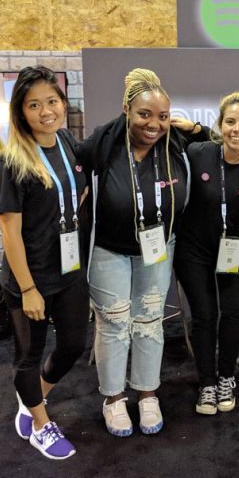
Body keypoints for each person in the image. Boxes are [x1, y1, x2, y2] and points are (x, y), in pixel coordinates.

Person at [76, 69, 203, 437]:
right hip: (109, 250)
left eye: (163, 116)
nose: (154, 124)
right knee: (115, 324)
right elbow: (69, 165)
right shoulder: (104, 144)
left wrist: (192, 128)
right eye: (144, 114)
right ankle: (113, 399)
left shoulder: (176, 144)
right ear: (127, 110)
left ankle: (148, 394)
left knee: (149, 322)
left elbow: (216, 142)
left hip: (158, 249)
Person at [0, 66, 88, 460]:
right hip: (28, 278)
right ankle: (40, 424)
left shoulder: (66, 142)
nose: (46, 111)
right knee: (28, 357)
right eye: (34, 105)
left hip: (68, 270)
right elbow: (10, 234)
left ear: (63, 104)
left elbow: (76, 193)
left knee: (72, 346)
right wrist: (29, 289)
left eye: (52, 101)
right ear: (21, 111)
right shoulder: (11, 161)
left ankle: (33, 399)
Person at [175, 92, 239, 415]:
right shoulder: (199, 153)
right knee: (205, 316)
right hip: (194, 250)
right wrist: (195, 129)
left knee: (234, 312)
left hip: (235, 251)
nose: (236, 129)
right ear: (220, 125)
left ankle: (227, 377)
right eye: (230, 122)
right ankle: (207, 383)